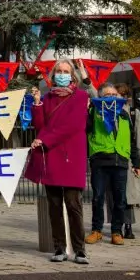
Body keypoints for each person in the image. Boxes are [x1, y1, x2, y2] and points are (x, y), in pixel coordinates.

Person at [24, 59, 90, 264]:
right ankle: (59, 248)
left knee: (73, 204)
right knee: (54, 206)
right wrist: (36, 104)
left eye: (66, 71)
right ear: (53, 75)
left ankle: (79, 250)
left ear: (73, 75)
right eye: (59, 71)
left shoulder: (81, 96)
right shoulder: (48, 97)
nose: (62, 74)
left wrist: (45, 139)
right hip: (51, 155)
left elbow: (74, 125)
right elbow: (41, 125)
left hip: (71, 155)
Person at [84, 83, 140, 246]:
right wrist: (86, 110)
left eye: (114, 95)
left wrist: (136, 161)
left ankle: (117, 231)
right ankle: (97, 230)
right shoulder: (94, 111)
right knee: (98, 197)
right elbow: (85, 129)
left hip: (121, 160)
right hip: (100, 159)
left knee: (120, 199)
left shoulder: (124, 114)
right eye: (107, 95)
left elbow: (132, 138)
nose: (111, 97)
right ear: (100, 98)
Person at [114, 83, 140, 239]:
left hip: (129, 158)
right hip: (113, 157)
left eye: (120, 94)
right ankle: (117, 227)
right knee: (115, 194)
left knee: (128, 195)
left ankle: (127, 226)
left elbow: (139, 137)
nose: (117, 97)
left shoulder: (134, 113)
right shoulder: (108, 111)